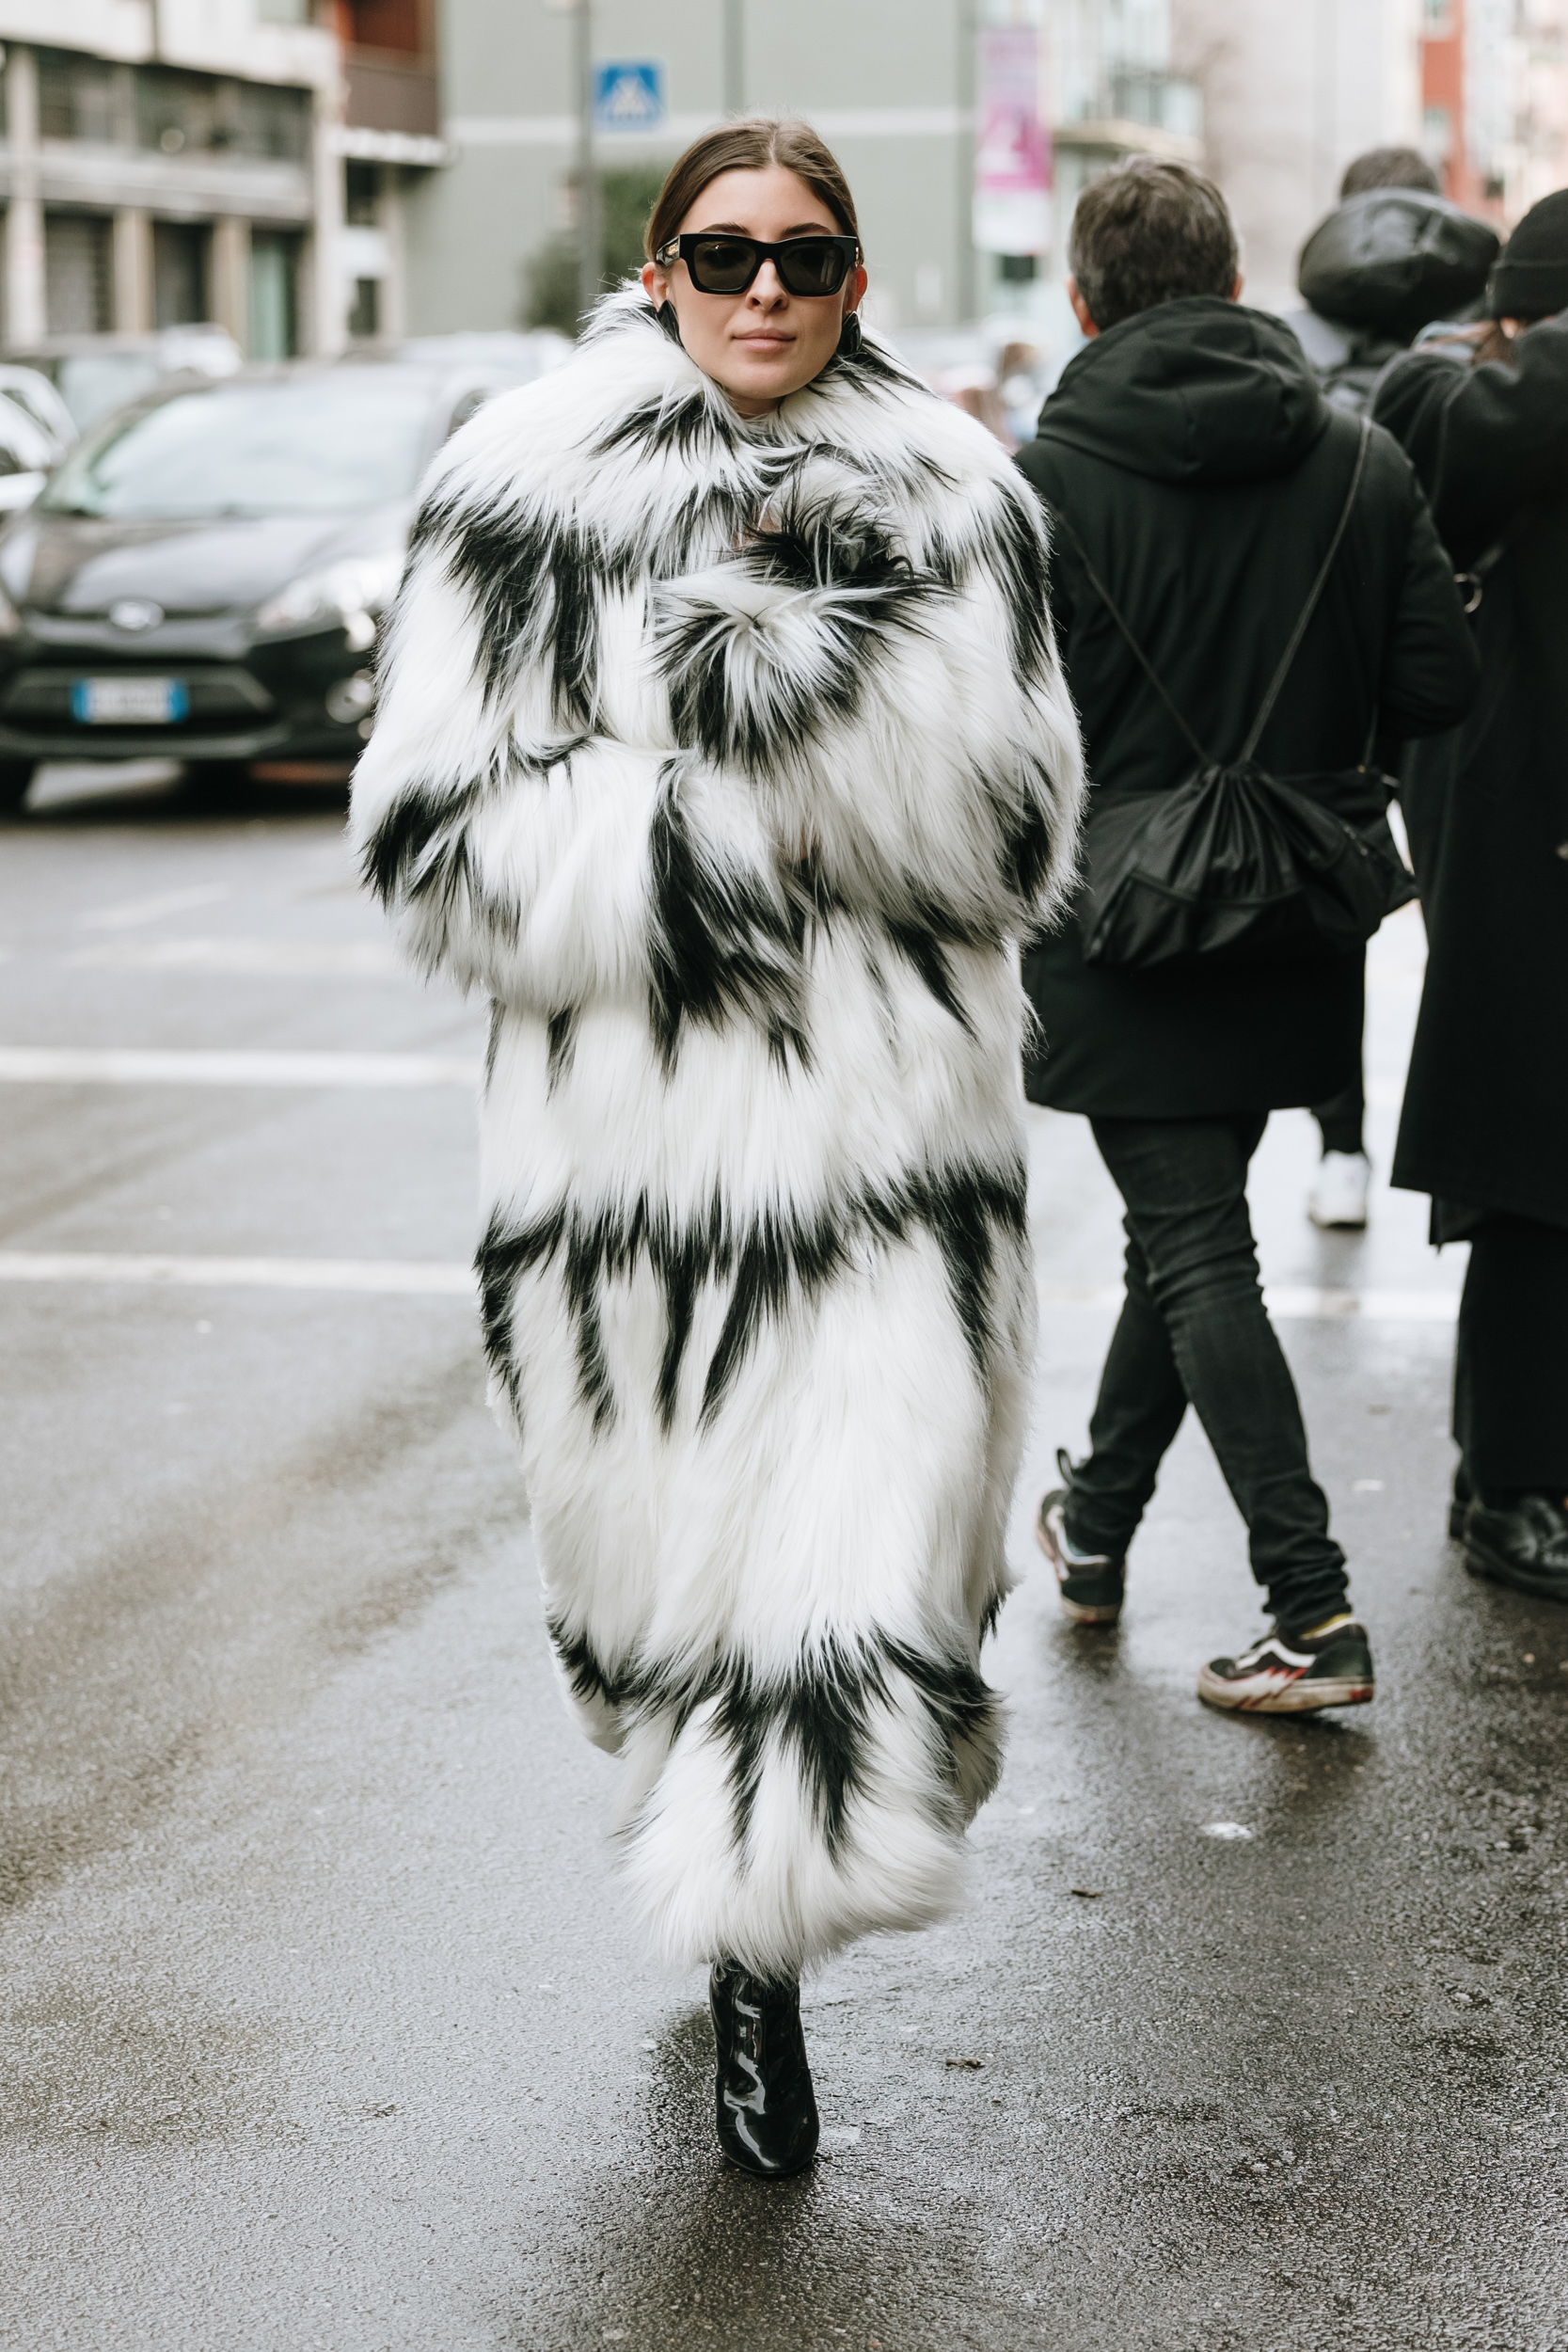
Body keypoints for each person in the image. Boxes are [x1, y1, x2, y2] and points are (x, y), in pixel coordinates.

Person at [351, 118, 1083, 2177]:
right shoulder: (519, 491)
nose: (764, 289)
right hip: (628, 1188)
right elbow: (433, 843)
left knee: (855, 1574)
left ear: (857, 279)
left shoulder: (953, 492)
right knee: (652, 1589)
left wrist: (805, 700)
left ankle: (761, 1974)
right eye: (722, 249)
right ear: (655, 263)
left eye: (808, 255)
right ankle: (718, 1864)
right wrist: (707, 830)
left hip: (887, 1173)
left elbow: (1016, 837)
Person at [1014, 159, 1479, 1712]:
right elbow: (1436, 694)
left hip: (1114, 918)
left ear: (1082, 305)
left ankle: (1311, 1606)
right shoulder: (1355, 464)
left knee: (1195, 1241)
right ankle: (1091, 1532)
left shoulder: (1039, 484)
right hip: (1287, 909)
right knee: (1193, 1230)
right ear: (1232, 290)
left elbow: (993, 740)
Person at [1371, 189, 1568, 1602]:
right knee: (1529, 1183)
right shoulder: (1461, 405)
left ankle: (1500, 1467)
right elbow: (1432, 418)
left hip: (1521, 839)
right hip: (1519, 847)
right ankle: (1507, 1483)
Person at [1286, 147, 1500, 1229]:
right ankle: (1477, 1138)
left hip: (1323, 660)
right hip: (1449, 650)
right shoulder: (1478, 315)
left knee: (1334, 909)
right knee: (1468, 908)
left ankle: (1341, 1151)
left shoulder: (1299, 328)